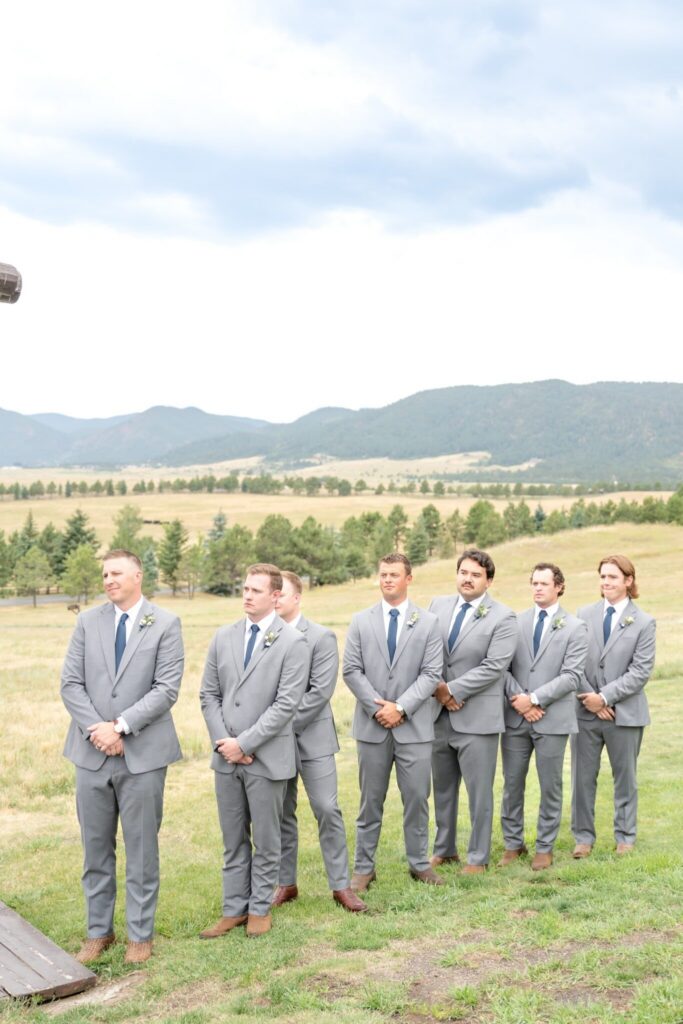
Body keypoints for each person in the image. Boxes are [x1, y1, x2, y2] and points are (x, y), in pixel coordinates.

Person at [61, 549, 184, 965]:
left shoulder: (165, 623)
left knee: (142, 848)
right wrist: (99, 728)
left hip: (143, 756)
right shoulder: (86, 621)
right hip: (90, 752)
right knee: (95, 848)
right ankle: (99, 933)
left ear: (137, 576)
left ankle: (139, 936)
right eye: (104, 574)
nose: (108, 579)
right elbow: (71, 684)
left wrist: (122, 727)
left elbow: (167, 688)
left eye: (116, 573)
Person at [199, 564, 308, 938]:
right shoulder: (223, 636)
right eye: (244, 588)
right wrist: (225, 744)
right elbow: (208, 695)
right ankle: (234, 908)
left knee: (266, 837)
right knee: (232, 838)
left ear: (276, 596)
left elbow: (286, 704)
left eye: (256, 590)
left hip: (267, 757)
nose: (247, 595)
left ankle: (260, 907)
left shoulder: (293, 643)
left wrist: (245, 744)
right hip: (225, 757)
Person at [343, 553, 443, 891]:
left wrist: (400, 707)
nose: (387, 580)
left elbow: (431, 674)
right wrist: (378, 709)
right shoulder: (360, 620)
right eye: (383, 574)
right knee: (370, 800)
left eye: (394, 574)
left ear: (408, 578)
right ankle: (363, 868)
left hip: (413, 728)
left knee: (416, 797)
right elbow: (351, 670)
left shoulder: (428, 622)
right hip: (372, 728)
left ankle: (419, 863)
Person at [271, 572, 366, 912]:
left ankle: (341, 885)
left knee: (327, 808)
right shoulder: (263, 636)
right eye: (273, 593)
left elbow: (320, 692)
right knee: (282, 812)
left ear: (297, 598)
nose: (275, 598)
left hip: (312, 737)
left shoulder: (321, 637)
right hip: (272, 743)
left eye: (281, 593)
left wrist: (277, 726)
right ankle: (286, 882)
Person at [429, 548, 516, 874]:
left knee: (479, 793)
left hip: (477, 718)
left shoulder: (503, 617)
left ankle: (478, 857)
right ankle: (444, 849)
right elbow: (426, 651)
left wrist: (452, 690)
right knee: (443, 788)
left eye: (475, 574)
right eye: (463, 572)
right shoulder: (437, 606)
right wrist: (438, 688)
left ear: (488, 581)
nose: (467, 578)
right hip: (438, 715)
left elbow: (495, 666)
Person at [500, 563, 587, 870]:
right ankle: (513, 844)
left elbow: (572, 676)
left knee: (550, 784)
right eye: (534, 583)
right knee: (512, 782)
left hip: (552, 719)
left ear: (559, 586)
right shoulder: (514, 622)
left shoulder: (575, 627)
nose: (537, 588)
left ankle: (545, 847)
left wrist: (534, 699)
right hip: (515, 717)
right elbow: (503, 668)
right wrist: (520, 701)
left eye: (544, 583)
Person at [571, 555, 655, 857]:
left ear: (628, 581)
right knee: (582, 777)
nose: (606, 582)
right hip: (584, 712)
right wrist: (590, 699)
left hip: (625, 714)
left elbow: (640, 671)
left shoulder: (644, 622)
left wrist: (604, 698)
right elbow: (573, 663)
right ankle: (582, 837)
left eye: (613, 577)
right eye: (603, 576)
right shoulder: (583, 614)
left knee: (625, 777)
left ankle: (625, 836)